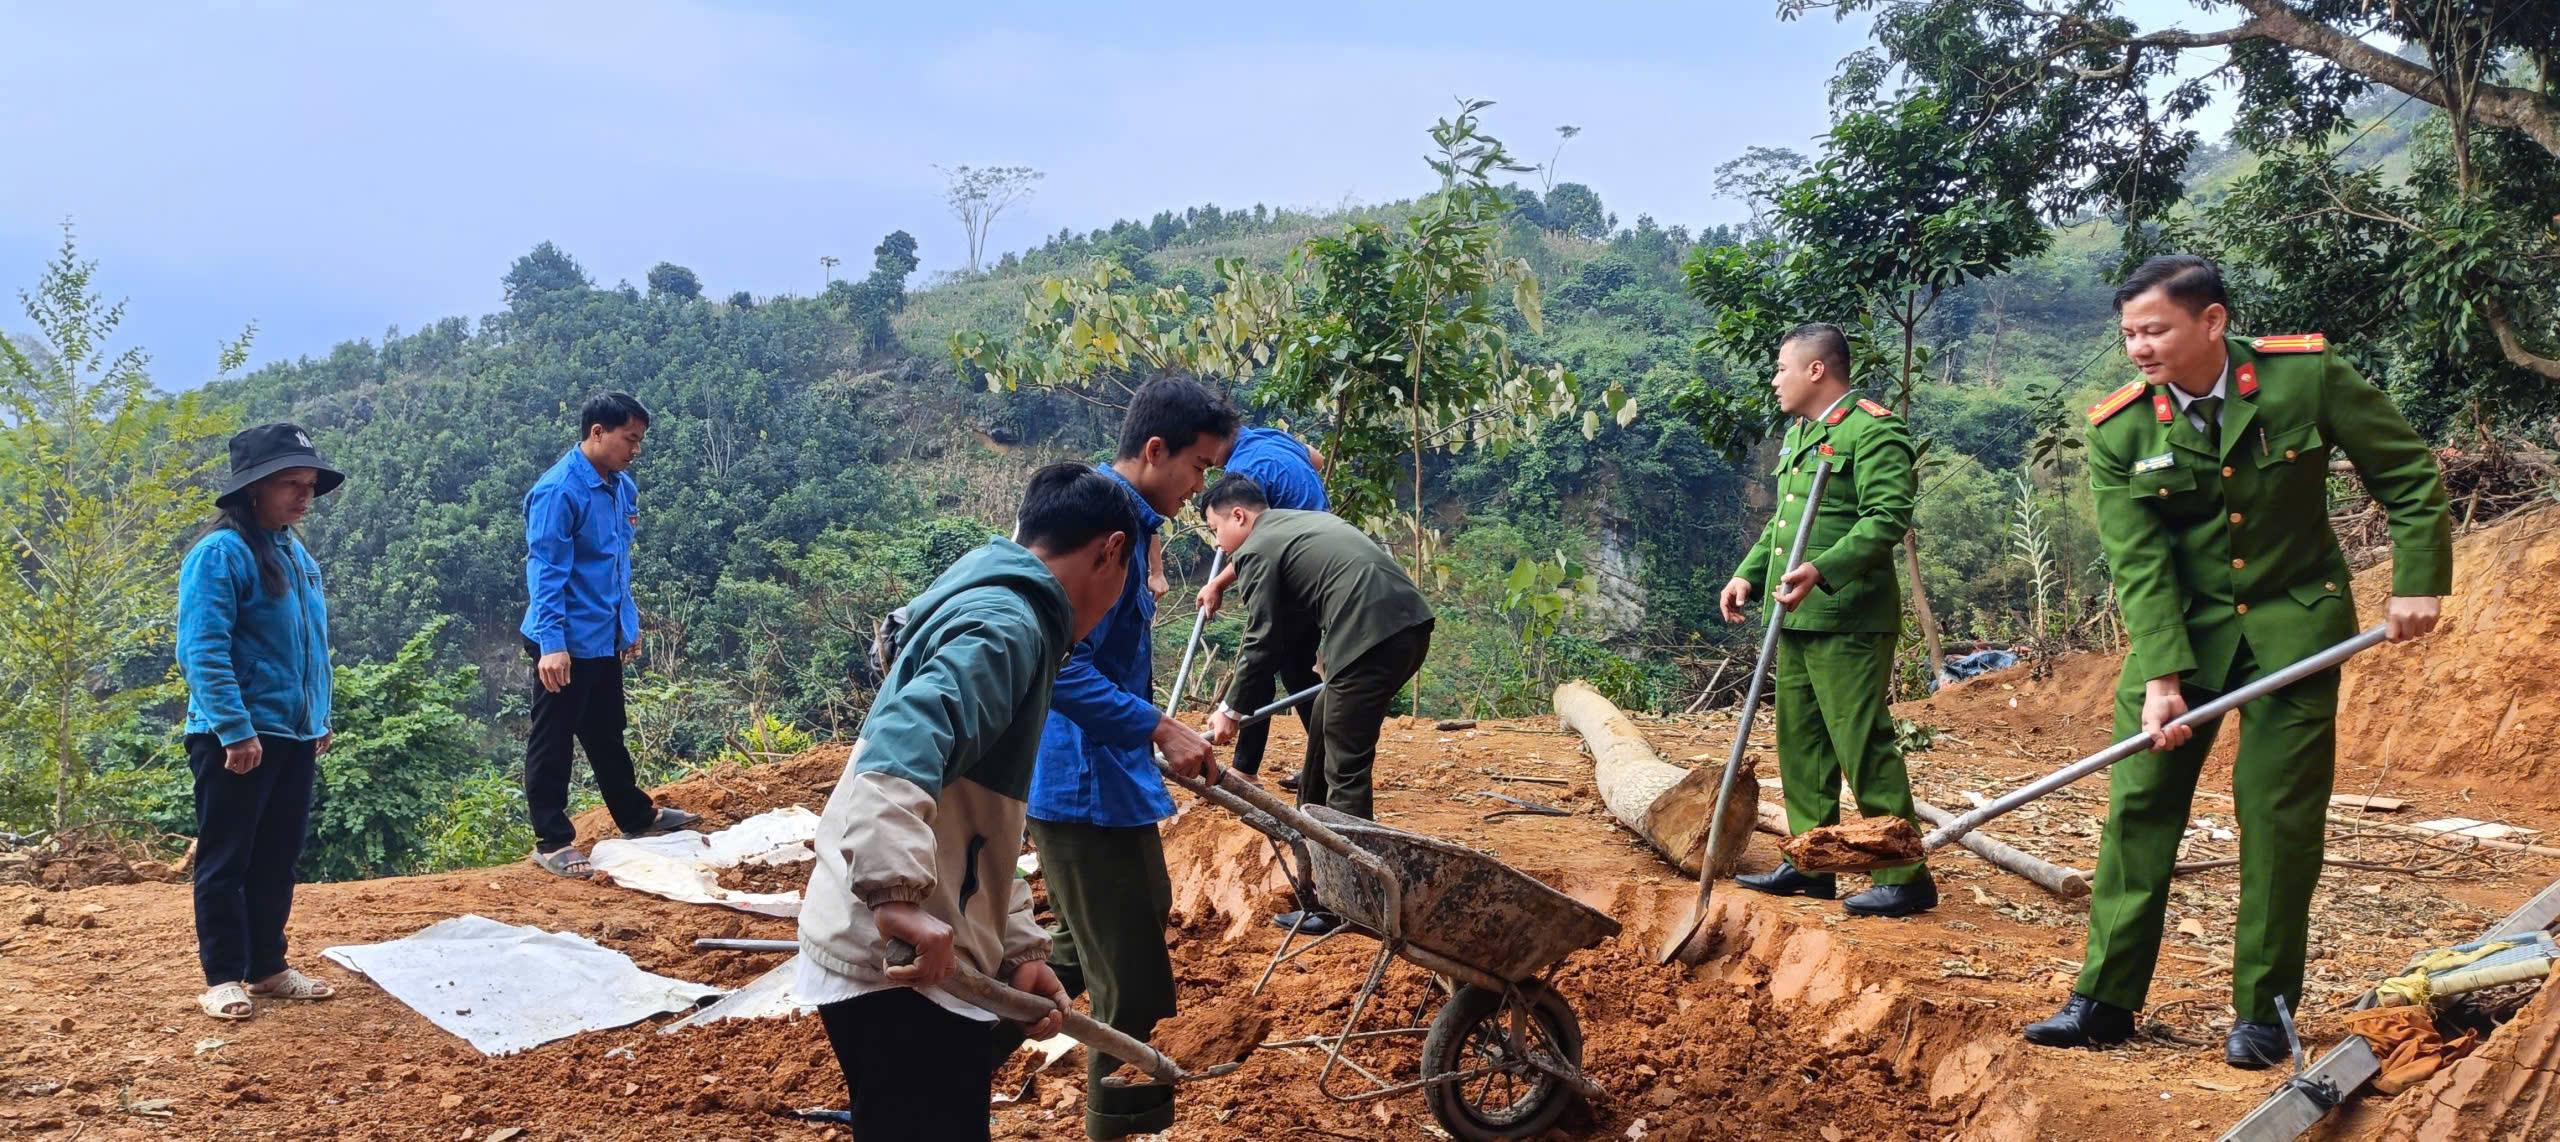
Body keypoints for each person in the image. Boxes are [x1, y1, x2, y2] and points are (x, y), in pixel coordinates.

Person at [2024, 256, 2450, 1067]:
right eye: (2128, 335)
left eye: (2155, 330)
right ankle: (2104, 1000)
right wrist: (2161, 681)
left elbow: (2404, 472)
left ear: (2211, 322)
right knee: (2140, 808)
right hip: (2179, 637)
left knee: (2279, 820)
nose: (2139, 349)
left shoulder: (2305, 379)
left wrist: (2417, 581)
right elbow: (2139, 563)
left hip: (2298, 627)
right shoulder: (2120, 428)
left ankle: (2263, 1011)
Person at [795, 463, 1139, 1142]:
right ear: (1111, 552)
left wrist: (1017, 952)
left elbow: (978, 820)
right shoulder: (1009, 628)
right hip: (898, 966)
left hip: (898, 947)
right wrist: (893, 895)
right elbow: (904, 739)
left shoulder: (1003, 610)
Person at [1026, 377, 1231, 1140]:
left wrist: (1156, 734)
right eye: (1199, 467)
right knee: (1135, 990)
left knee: (1074, 958)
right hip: (1082, 786)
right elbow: (1060, 663)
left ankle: (930, 1087)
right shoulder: (1102, 528)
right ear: (1155, 450)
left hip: (1106, 779)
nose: (1202, 486)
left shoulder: (1135, 526)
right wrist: (1158, 726)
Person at [1719, 323, 1937, 919]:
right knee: (1802, 745)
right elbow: (1782, 526)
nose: (1774, 380)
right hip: (1795, 618)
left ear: (1817, 370)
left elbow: (1887, 516)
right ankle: (1812, 863)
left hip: (1848, 617)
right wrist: (1749, 572)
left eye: (1781, 369)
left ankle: (1904, 873)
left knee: (1860, 744)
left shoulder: (1873, 430)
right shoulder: (1801, 436)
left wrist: (1823, 568)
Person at [1204, 475, 1436, 936]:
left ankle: (1354, 903)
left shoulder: (1256, 547)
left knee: (1344, 768)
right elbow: (1313, 598)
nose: (1218, 543)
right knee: (1322, 748)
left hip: (1373, 637)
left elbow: (1262, 640)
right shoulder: (1296, 522)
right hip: (1404, 627)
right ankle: (1320, 889)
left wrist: (1230, 710)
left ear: (1238, 515)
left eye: (1214, 530)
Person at [177, 423, 346, 1021]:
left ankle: (268, 967)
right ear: (253, 490)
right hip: (236, 737)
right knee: (228, 857)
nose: (304, 497)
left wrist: (317, 715)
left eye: (308, 485)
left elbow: (312, 645)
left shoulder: (293, 552)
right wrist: (234, 727)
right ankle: (223, 975)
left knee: (277, 855)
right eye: (290, 485)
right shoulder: (219, 554)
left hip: (293, 733)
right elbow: (203, 650)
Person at [519, 391, 696, 879]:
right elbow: (547, 572)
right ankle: (552, 840)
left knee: (606, 732)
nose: (635, 449)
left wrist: (627, 625)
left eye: (639, 441)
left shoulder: (620, 487)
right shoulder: (560, 491)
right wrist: (552, 646)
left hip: (601, 636)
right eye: (629, 439)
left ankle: (636, 817)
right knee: (552, 740)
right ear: (597, 432)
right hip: (563, 641)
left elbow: (617, 564)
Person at [1194, 425, 1329, 784]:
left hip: (1296, 570)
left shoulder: (1243, 473)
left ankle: (1244, 769)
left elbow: (1259, 541)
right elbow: (1317, 458)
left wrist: (1218, 582)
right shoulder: (1268, 437)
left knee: (1262, 657)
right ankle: (1323, 766)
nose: (1203, 464)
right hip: (1316, 556)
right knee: (1298, 671)